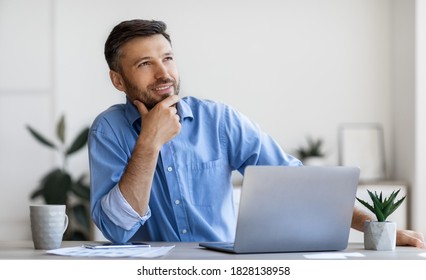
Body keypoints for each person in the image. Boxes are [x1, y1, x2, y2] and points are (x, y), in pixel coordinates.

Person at [88, 19, 425, 248]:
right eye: (145, 64)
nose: (164, 73)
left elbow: (297, 183)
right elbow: (117, 230)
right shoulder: (109, 131)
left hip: (219, 271)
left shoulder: (219, 120)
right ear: (118, 80)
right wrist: (149, 142)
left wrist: (375, 228)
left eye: (168, 58)